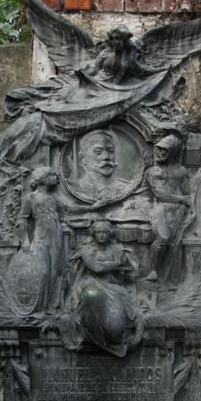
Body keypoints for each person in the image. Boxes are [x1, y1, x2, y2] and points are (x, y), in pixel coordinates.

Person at [62, 218, 142, 356]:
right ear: (94, 233)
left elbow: (128, 272)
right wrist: (117, 263)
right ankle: (88, 331)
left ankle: (109, 340)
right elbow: (96, 267)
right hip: (91, 284)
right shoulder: (85, 250)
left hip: (113, 290)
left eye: (105, 232)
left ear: (109, 233)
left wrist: (126, 268)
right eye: (99, 232)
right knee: (92, 295)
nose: (102, 235)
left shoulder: (116, 249)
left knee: (116, 329)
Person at [16, 166, 64, 310]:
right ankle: (37, 306)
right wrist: (25, 241)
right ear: (42, 179)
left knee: (55, 271)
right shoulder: (30, 198)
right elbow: (22, 220)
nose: (55, 178)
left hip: (56, 238)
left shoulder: (53, 200)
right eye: (52, 175)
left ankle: (50, 306)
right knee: (42, 271)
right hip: (40, 238)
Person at [145, 135, 191, 281]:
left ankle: (173, 279)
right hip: (160, 209)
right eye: (157, 149)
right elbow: (160, 194)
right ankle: (153, 270)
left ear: (172, 153)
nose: (158, 153)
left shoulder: (182, 171)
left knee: (175, 243)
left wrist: (192, 212)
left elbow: (188, 193)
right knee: (163, 238)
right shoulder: (153, 171)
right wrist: (181, 199)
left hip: (179, 211)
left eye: (163, 151)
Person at [71, 129, 129, 203]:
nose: (106, 157)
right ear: (83, 158)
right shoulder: (77, 190)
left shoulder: (127, 188)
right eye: (98, 152)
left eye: (111, 151)